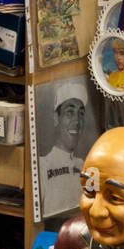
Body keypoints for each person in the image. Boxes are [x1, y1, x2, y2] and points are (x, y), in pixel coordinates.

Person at [40, 79, 88, 213]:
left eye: (81, 113)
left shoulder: (85, 166)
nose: (77, 121)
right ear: (56, 118)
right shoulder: (42, 165)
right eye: (69, 112)